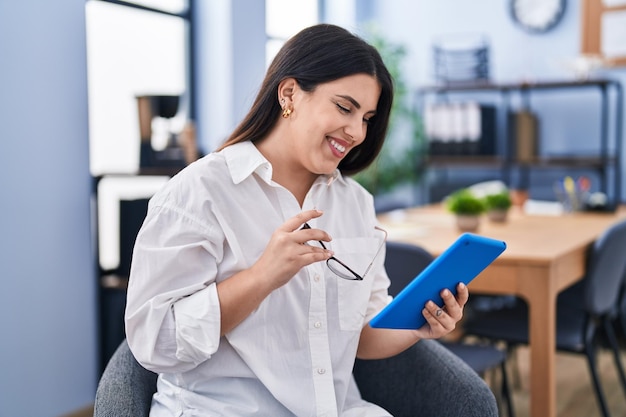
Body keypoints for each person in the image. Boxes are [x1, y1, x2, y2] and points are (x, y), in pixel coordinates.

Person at [125, 23, 497, 416]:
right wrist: (262, 276)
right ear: (289, 95)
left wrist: (419, 325)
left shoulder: (355, 203)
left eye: (367, 117)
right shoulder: (199, 192)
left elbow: (363, 335)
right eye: (344, 107)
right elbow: (156, 341)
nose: (356, 131)